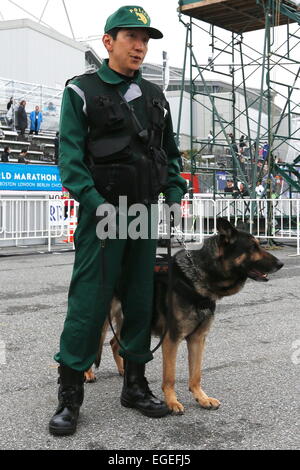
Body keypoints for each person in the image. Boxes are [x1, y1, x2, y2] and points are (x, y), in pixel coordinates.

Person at [49, 5, 187, 436]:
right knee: (90, 302)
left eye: (145, 40)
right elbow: (70, 159)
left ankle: (134, 384)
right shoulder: (81, 90)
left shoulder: (156, 97)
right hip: (104, 212)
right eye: (131, 37)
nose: (140, 46)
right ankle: (69, 394)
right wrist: (95, 202)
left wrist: (175, 193)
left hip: (144, 213)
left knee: (140, 301)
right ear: (108, 42)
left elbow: (170, 156)